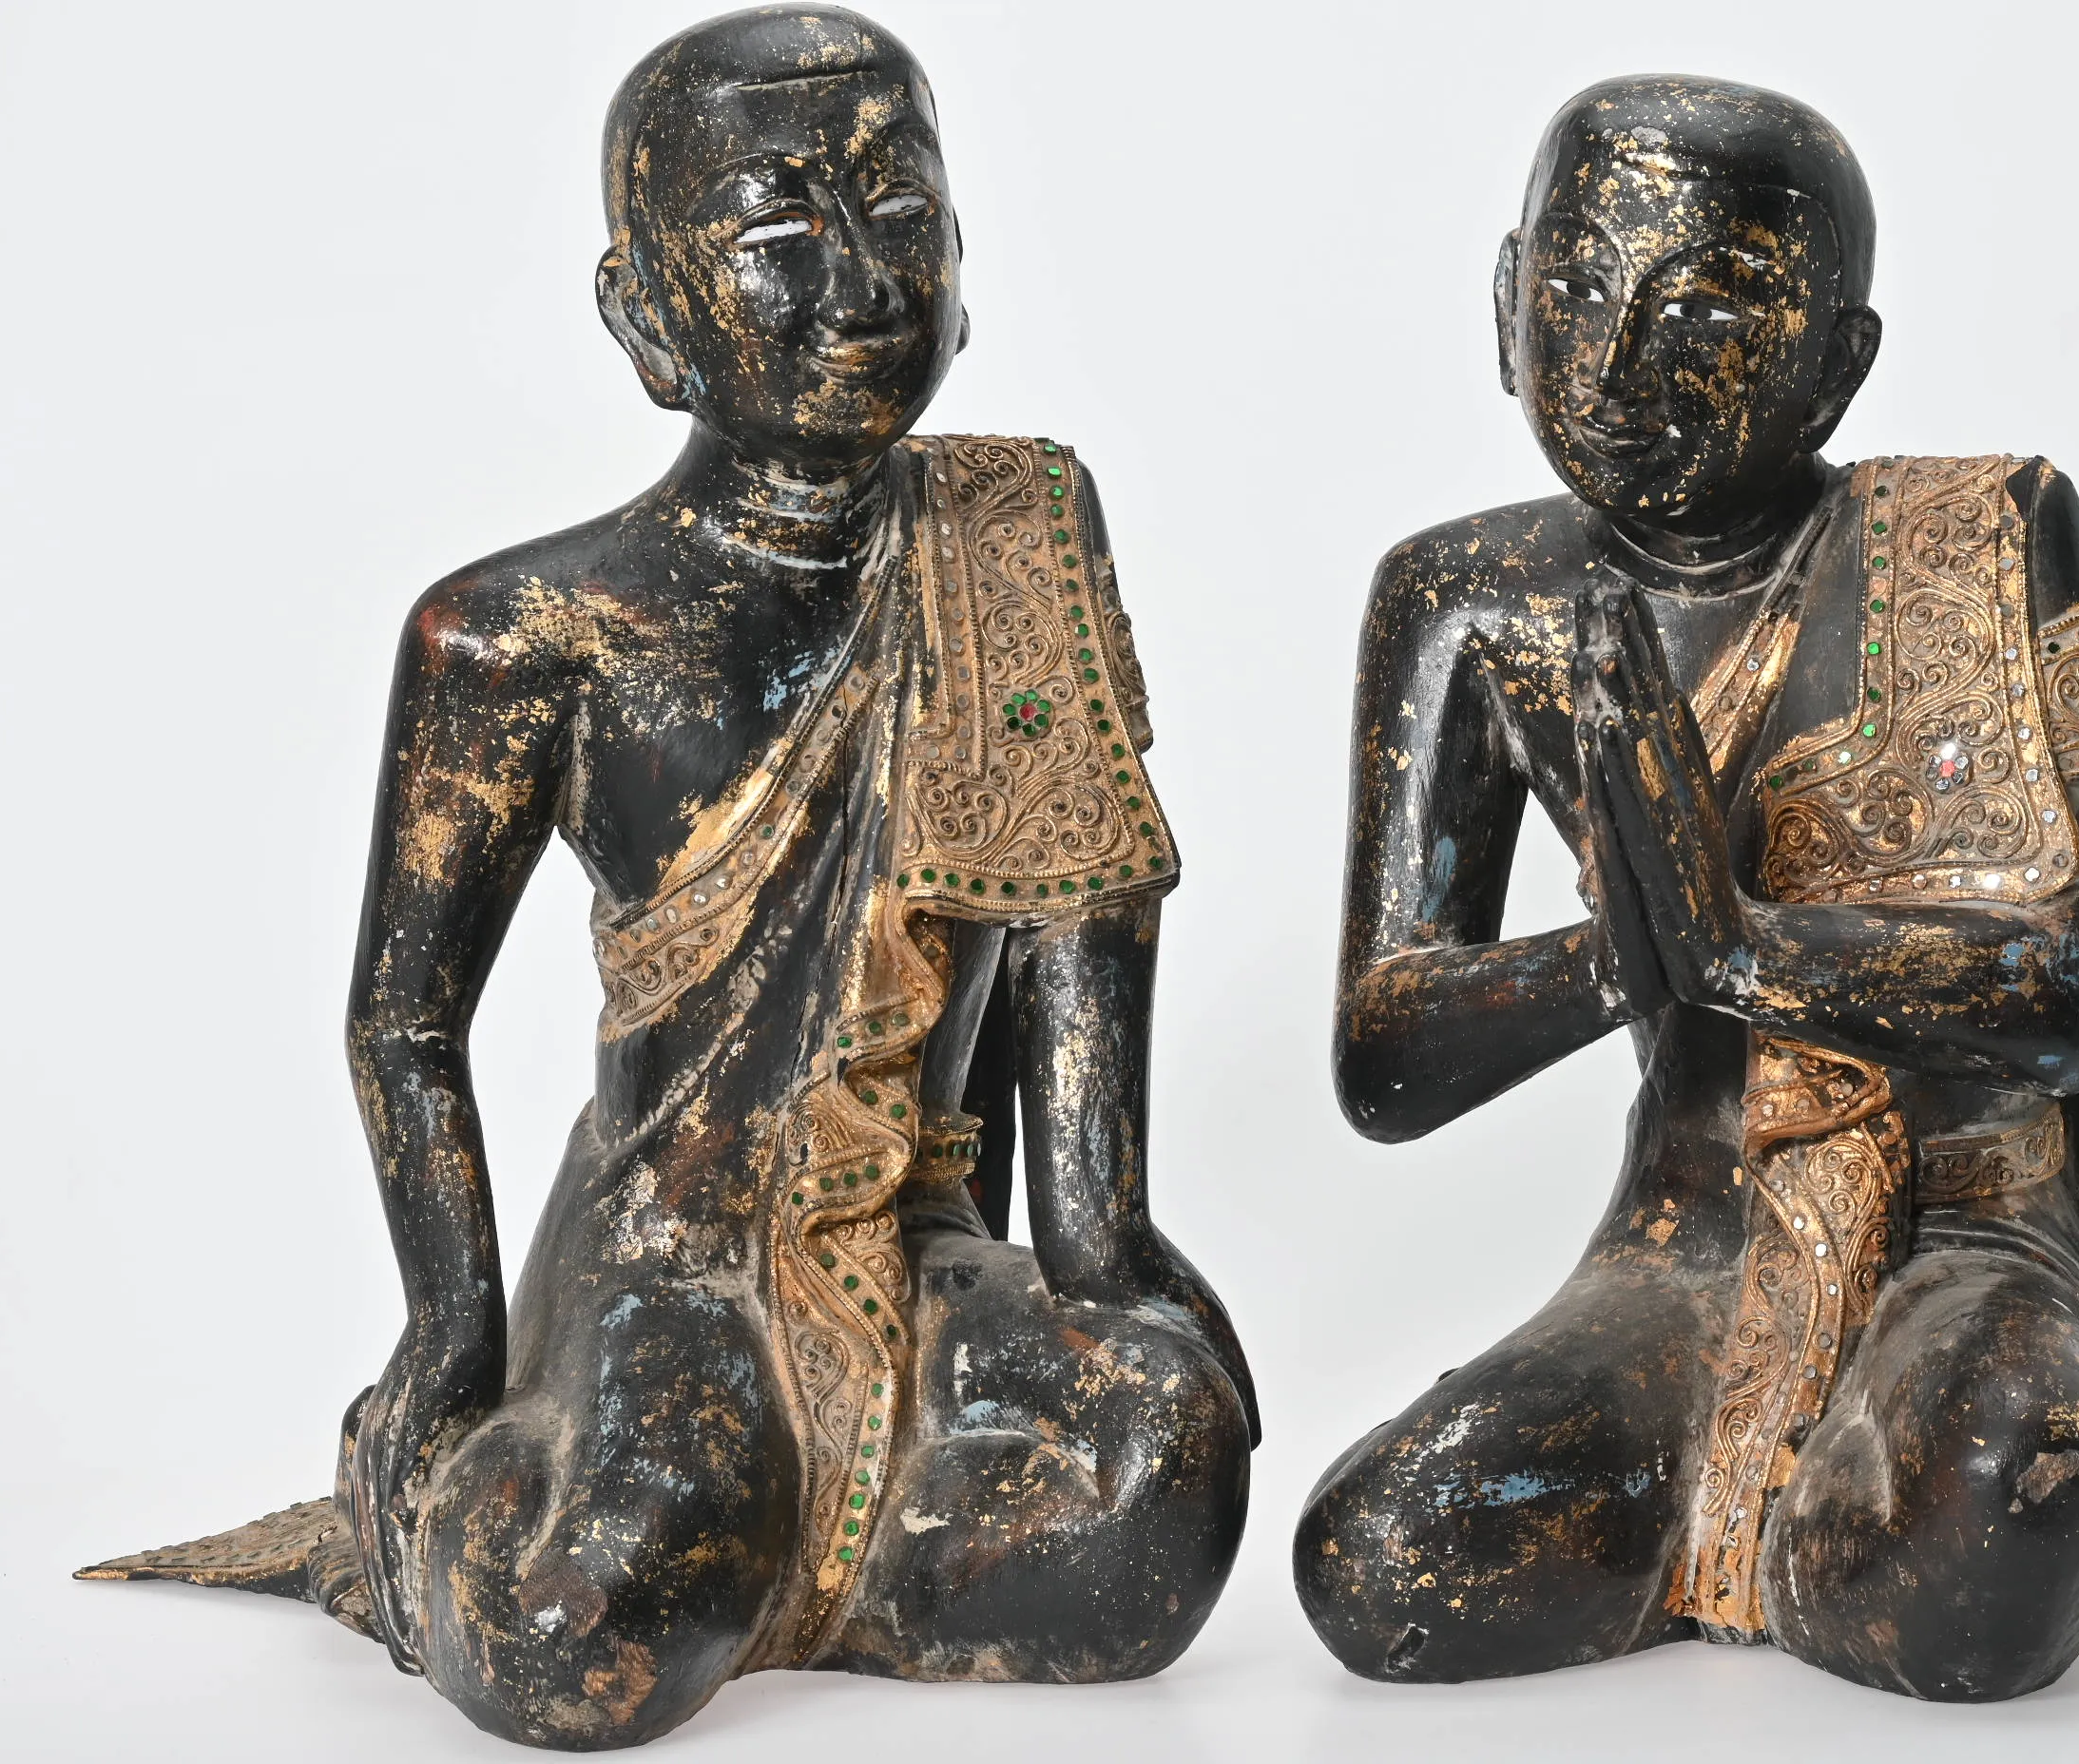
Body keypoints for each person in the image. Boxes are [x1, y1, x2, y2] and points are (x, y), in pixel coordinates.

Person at [81, 9, 1254, 1746]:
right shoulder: (522, 634)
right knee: (582, 1630)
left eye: (902, 207)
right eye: (780, 230)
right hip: (668, 1242)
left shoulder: (1015, 540)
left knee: (1164, 1462)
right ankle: (433, 1540)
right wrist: (450, 1339)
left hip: (914, 1230)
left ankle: (789, 1555)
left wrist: (1118, 1266)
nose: (862, 280)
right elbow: (405, 1025)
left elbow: (1077, 978)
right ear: (647, 319)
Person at [1297, 73, 2079, 1701]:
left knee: (1991, 1533)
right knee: (1380, 1561)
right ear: (1503, 305)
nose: (1618, 362)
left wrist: (1735, 946)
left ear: (1838, 364)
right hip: (1678, 1237)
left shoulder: (1974, 543)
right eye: (1574, 287)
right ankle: (1792, 1518)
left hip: (1969, 1226)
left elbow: (2053, 1006)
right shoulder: (1470, 598)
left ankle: (1822, 1511)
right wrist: (1632, 960)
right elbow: (1387, 1056)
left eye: (1704, 311)